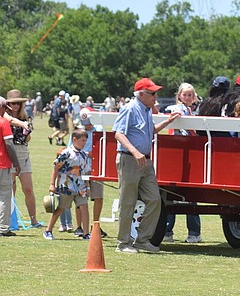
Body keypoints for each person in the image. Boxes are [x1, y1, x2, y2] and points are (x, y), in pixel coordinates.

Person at [113, 78, 180, 253]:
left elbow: (149, 131)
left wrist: (166, 123)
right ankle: (123, 244)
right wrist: (135, 152)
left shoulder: (146, 110)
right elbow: (118, 134)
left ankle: (142, 240)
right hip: (129, 159)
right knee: (127, 202)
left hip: (145, 161)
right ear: (141, 94)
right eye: (152, 93)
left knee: (154, 199)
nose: (155, 97)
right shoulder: (129, 109)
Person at [163, 83, 202, 243]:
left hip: (183, 151)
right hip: (180, 151)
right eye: (184, 94)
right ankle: (188, 232)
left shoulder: (190, 110)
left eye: (189, 95)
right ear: (179, 95)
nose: (187, 97)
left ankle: (174, 231)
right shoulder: (177, 109)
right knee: (179, 194)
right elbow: (188, 129)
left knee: (177, 194)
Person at [43, 129, 91, 240]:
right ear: (74, 139)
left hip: (80, 187)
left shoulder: (84, 155)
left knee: (84, 207)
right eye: (82, 140)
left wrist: (87, 187)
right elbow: (56, 167)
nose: (84, 143)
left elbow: (86, 172)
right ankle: (48, 230)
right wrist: (52, 184)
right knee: (61, 208)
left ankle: (86, 233)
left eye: (85, 141)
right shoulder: (66, 153)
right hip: (66, 186)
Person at [3, 90, 41, 228]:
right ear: (7, 104)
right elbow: (11, 121)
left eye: (18, 103)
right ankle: (10, 221)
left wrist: (26, 132)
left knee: (28, 189)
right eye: (13, 103)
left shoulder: (26, 117)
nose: (16, 106)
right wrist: (22, 124)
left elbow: (28, 138)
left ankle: (34, 219)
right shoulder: (4, 116)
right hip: (10, 153)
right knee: (10, 190)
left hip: (23, 154)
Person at [79, 107, 107, 238]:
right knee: (81, 197)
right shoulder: (79, 132)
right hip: (82, 167)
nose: (87, 126)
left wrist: (89, 154)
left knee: (98, 197)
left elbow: (102, 150)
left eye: (89, 123)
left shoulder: (100, 131)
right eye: (85, 124)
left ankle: (95, 225)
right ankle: (80, 227)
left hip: (97, 168)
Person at [1, 95, 24, 237]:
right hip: (2, 164)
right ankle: (3, 228)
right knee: (4, 195)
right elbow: (9, 144)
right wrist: (16, 163)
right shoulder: (3, 122)